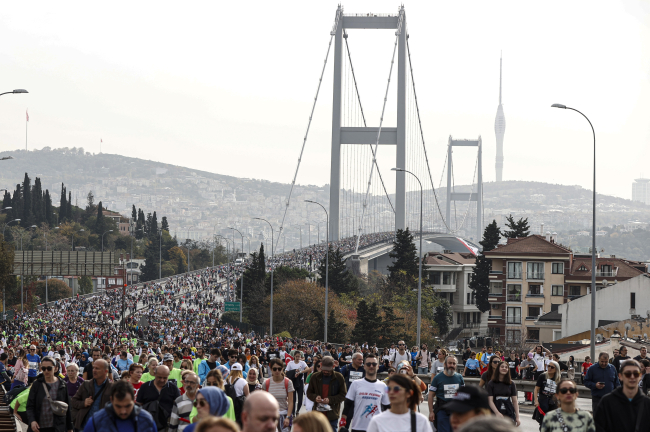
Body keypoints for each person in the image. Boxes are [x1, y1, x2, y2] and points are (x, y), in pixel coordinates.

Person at [594, 359, 650, 432]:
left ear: (640, 376)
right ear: (620, 376)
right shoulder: (607, 402)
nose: (632, 377)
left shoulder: (647, 403)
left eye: (636, 374)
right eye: (628, 374)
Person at [340, 353, 390, 432]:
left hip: (376, 428)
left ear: (377, 366)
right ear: (364, 366)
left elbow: (387, 409)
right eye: (368, 364)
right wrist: (342, 424)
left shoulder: (383, 386)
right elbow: (347, 406)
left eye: (374, 364)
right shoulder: (355, 384)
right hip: (357, 428)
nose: (371, 366)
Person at [83, 380, 157, 432]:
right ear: (111, 400)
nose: (123, 411)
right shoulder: (95, 421)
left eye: (128, 406)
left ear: (134, 399)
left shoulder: (147, 420)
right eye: (118, 406)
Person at [366, 374, 432, 432]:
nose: (391, 392)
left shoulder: (421, 421)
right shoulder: (377, 421)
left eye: (396, 389)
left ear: (409, 393)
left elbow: (422, 387)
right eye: (389, 389)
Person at [26, 356, 74, 432]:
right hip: (39, 427)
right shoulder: (37, 384)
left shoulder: (62, 384)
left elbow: (67, 407)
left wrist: (70, 427)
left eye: (49, 368)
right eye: (43, 368)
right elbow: (30, 405)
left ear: (55, 368)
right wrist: (32, 421)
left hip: (57, 426)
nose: (46, 371)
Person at [71, 359, 114, 431]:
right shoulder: (86, 384)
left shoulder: (112, 388)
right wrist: (83, 403)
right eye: (93, 368)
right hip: (84, 427)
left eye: (97, 368)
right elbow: (73, 401)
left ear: (105, 371)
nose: (94, 370)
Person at [306, 355, 347, 431]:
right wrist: (315, 397)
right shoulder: (315, 377)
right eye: (324, 369)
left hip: (332, 414)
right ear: (321, 365)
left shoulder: (339, 377)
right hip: (317, 414)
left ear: (333, 366)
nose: (325, 371)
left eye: (328, 369)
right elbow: (309, 393)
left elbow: (343, 395)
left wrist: (330, 399)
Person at [136, 364, 181, 430]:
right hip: (148, 425)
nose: (162, 380)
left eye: (165, 378)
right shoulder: (145, 387)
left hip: (166, 425)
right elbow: (138, 405)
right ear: (154, 374)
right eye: (159, 377)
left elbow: (178, 406)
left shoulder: (173, 388)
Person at [428, 356, 464, 432]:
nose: (452, 365)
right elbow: (431, 395)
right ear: (445, 364)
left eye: (454, 364)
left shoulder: (459, 377)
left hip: (456, 410)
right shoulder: (437, 378)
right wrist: (431, 412)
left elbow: (463, 393)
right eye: (450, 363)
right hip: (442, 409)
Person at [263, 358, 294, 432]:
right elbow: (263, 403)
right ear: (271, 369)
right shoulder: (266, 383)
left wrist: (288, 417)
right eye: (274, 369)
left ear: (282, 369)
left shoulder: (288, 382)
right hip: (270, 417)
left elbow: (290, 402)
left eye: (279, 369)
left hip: (284, 416)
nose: (277, 371)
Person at [486, 361, 520, 426]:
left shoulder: (511, 383)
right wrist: (497, 413)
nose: (504, 368)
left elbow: (515, 401)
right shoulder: (491, 383)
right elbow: (490, 400)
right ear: (498, 368)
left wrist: (517, 417)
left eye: (506, 367)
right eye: (502, 367)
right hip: (495, 410)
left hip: (508, 410)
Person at [533, 360, 561, 428]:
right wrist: (536, 401)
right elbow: (536, 389)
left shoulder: (558, 378)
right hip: (543, 401)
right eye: (548, 366)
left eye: (552, 367)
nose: (549, 368)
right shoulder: (542, 376)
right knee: (543, 422)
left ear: (556, 369)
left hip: (553, 402)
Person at [285, 350, 310, 416]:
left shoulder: (302, 363)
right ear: (294, 356)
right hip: (293, 381)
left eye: (299, 356)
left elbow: (308, 369)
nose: (298, 358)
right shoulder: (290, 363)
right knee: (293, 398)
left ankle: (297, 410)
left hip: (300, 381)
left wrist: (300, 372)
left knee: (300, 397)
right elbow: (286, 372)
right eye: (296, 356)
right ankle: (293, 412)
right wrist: (294, 371)